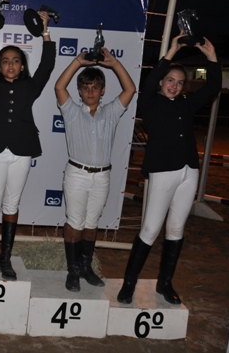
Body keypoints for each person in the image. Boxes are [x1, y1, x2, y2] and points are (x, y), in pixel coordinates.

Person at [117, 32, 220, 304]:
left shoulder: (186, 104)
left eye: (179, 82)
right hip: (163, 171)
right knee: (151, 229)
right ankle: (129, 283)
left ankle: (164, 283)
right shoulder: (150, 103)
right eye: (170, 80)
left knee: (176, 229)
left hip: (189, 172)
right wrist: (172, 51)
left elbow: (212, 88)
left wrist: (212, 58)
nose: (174, 85)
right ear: (162, 81)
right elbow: (149, 82)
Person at [0, 6, 56, 280]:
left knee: (12, 205)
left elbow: (47, 65)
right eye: (5, 60)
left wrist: (45, 32)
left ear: (22, 66)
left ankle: (4, 260)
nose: (10, 65)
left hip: (22, 151)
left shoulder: (31, 87)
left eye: (16, 60)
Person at [54, 49, 136, 291]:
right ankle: (72, 271)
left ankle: (86, 267)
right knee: (74, 223)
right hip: (76, 174)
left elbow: (130, 89)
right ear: (79, 91)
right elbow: (59, 86)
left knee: (91, 224)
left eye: (95, 87)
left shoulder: (111, 112)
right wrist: (78, 62)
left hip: (102, 176)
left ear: (103, 91)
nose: (90, 92)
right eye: (85, 87)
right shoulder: (71, 111)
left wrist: (115, 64)